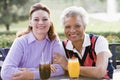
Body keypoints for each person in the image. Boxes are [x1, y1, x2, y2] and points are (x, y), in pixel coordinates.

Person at [1, 3, 65, 80]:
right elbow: (5, 73)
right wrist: (39, 70)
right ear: (30, 23)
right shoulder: (20, 42)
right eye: (36, 19)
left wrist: (32, 74)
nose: (41, 22)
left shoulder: (54, 41)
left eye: (45, 19)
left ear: (50, 23)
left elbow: (61, 68)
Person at [53, 6, 114, 79]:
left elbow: (100, 72)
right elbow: (58, 70)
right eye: (67, 27)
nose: (72, 30)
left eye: (77, 26)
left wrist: (68, 66)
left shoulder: (99, 41)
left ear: (84, 26)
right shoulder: (62, 46)